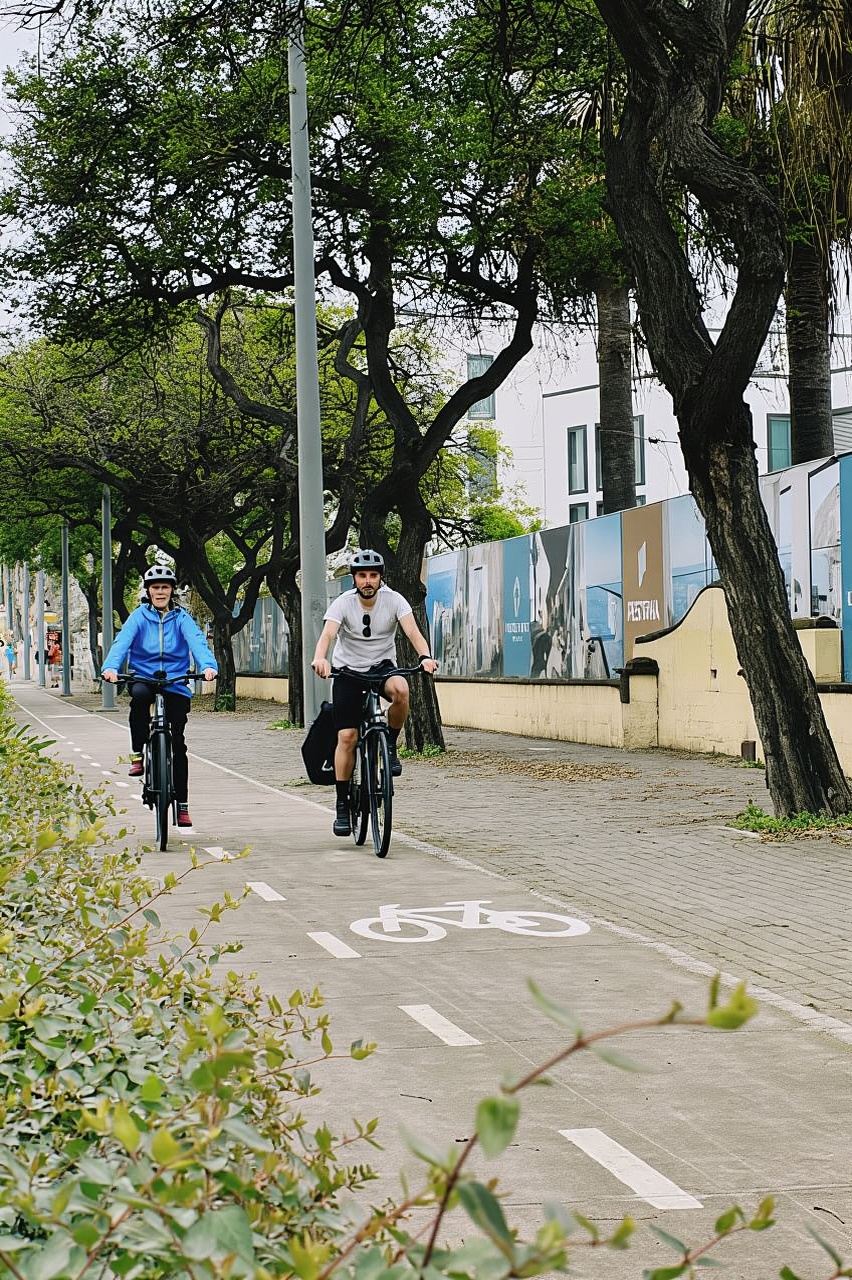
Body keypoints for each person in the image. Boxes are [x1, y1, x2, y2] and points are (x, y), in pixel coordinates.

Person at [311, 549, 438, 837]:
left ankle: (390, 746)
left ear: (380, 578)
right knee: (347, 736)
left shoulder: (394, 600)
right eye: (362, 576)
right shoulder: (343, 603)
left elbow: (413, 632)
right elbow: (328, 635)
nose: (368, 581)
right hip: (348, 672)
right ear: (354, 579)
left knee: (402, 689)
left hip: (382, 667)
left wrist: (425, 657)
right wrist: (321, 658)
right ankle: (342, 804)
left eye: (373, 575)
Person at [101, 564, 217, 828]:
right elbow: (122, 643)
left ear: (172, 590)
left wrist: (208, 666)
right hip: (144, 675)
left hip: (175, 680)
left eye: (165, 587)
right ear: (149, 591)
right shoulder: (139, 617)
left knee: (178, 743)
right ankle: (136, 754)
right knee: (139, 698)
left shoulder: (182, 618)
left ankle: (183, 806)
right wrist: (110, 667)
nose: (161, 591)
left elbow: (197, 642)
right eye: (156, 587)